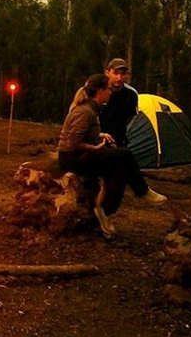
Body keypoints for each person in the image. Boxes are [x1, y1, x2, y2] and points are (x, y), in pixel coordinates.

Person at [57, 73, 167, 238]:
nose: (110, 92)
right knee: (125, 153)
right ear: (100, 91)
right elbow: (72, 143)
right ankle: (142, 191)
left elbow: (82, 134)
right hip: (72, 159)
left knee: (121, 172)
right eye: (108, 89)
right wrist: (95, 147)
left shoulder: (90, 109)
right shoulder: (85, 111)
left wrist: (101, 135)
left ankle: (104, 212)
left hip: (79, 155)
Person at [99, 58, 138, 147]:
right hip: (96, 138)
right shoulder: (98, 91)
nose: (119, 78)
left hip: (119, 140)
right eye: (115, 73)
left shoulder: (131, 94)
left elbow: (130, 119)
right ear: (107, 73)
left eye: (123, 74)